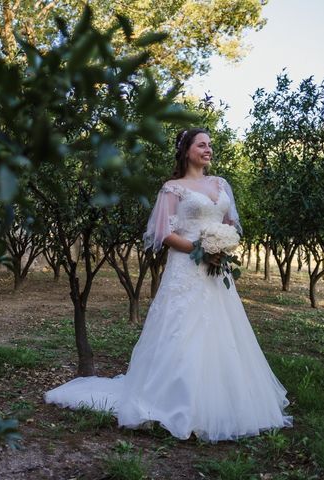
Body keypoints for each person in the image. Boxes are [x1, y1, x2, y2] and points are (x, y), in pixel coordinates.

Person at [45, 128, 292, 442]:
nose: (208, 149)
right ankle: (173, 403)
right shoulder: (172, 189)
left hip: (217, 271)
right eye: (202, 144)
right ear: (186, 150)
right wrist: (201, 250)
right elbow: (164, 233)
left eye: (210, 145)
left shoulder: (220, 184)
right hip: (186, 269)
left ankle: (223, 402)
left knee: (222, 332)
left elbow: (230, 224)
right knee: (182, 330)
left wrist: (224, 248)